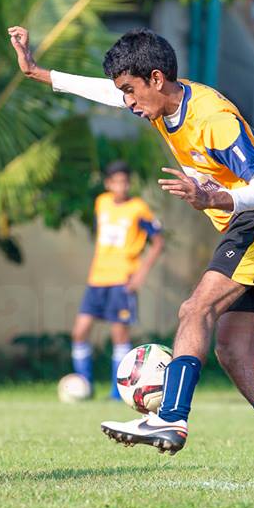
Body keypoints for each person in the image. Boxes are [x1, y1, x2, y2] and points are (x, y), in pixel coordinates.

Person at [9, 25, 254, 477]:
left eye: (130, 90)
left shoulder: (212, 117)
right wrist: (38, 72)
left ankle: (170, 416)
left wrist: (218, 199)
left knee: (195, 310)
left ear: (155, 78)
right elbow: (106, 93)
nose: (126, 102)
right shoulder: (156, 102)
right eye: (122, 92)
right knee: (233, 348)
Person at [72, 160, 163, 398]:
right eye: (116, 182)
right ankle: (84, 386)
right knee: (80, 331)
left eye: (125, 182)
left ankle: (117, 392)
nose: (121, 186)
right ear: (108, 183)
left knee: (119, 336)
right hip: (97, 279)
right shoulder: (101, 202)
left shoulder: (138, 208)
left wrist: (140, 274)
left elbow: (158, 242)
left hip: (122, 279)